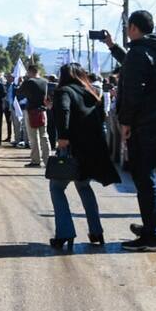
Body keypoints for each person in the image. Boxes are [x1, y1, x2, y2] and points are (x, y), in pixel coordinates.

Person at [102, 10, 156, 252]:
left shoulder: (139, 52)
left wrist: (125, 122)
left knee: (146, 179)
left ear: (134, 27)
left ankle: (151, 237)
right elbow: (135, 65)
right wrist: (113, 47)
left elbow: (133, 91)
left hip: (147, 123)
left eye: (128, 27)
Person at [50, 62, 118, 250]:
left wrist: (63, 137)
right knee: (84, 186)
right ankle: (96, 232)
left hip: (71, 148)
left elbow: (65, 111)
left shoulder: (63, 91)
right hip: (91, 151)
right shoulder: (92, 92)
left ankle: (64, 233)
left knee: (56, 188)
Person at [18, 65, 50, 167]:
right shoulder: (45, 82)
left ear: (30, 72)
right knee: (44, 136)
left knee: (33, 137)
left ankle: (36, 160)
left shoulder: (29, 82)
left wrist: (23, 81)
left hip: (31, 111)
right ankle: (48, 160)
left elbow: (19, 92)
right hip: (42, 111)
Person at [46, 74, 59, 151]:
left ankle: (50, 144)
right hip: (56, 108)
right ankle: (54, 144)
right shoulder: (58, 86)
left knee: (49, 127)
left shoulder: (46, 86)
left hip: (48, 108)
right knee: (55, 128)